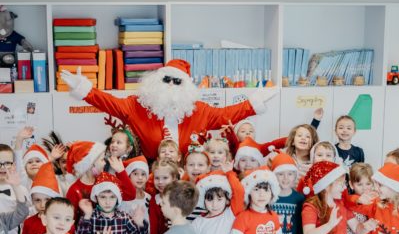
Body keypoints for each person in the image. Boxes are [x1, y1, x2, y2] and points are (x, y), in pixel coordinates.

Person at [61, 59, 275, 160]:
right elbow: (109, 102)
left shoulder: (198, 110)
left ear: (186, 86)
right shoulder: (138, 105)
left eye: (177, 81)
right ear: (156, 80)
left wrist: (253, 103)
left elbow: (227, 114)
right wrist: (84, 89)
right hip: (150, 176)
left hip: (188, 175)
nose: (171, 85)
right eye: (166, 79)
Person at [149, 159, 180, 234]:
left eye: (165, 178)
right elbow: (153, 230)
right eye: (157, 178)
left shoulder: (181, 197)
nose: (160, 182)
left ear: (174, 178)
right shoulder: (154, 200)